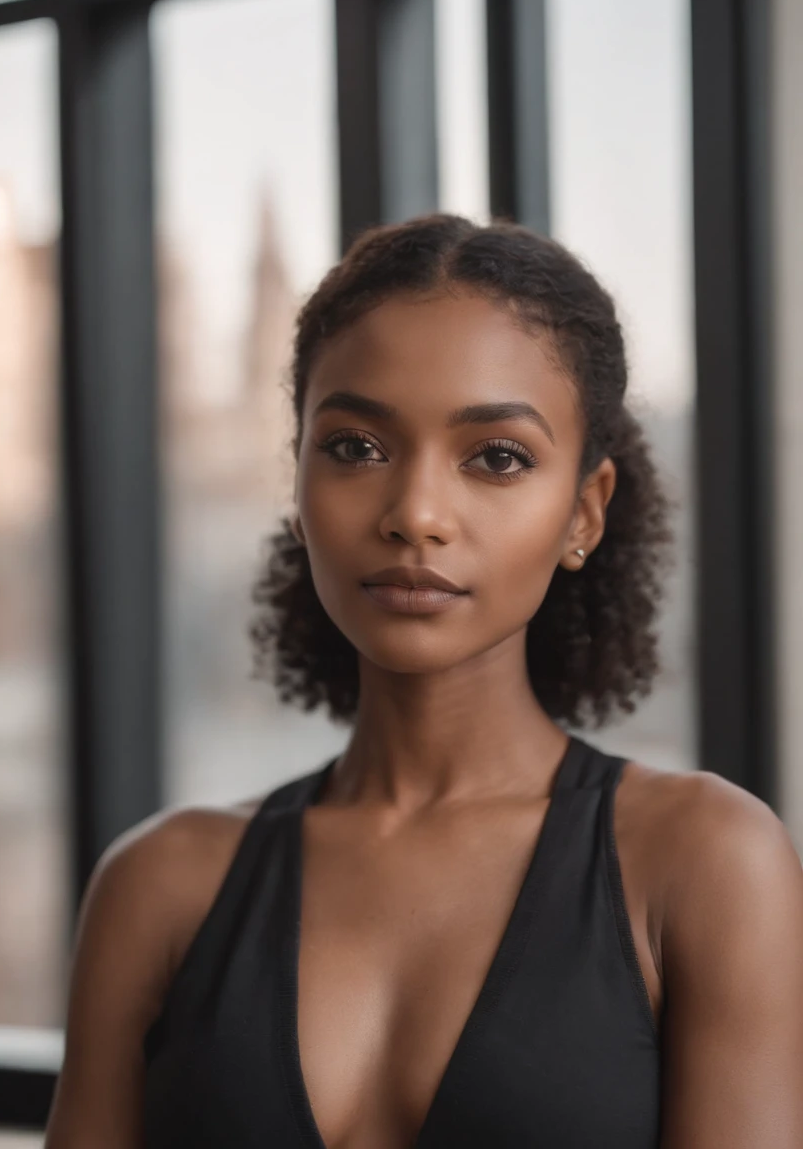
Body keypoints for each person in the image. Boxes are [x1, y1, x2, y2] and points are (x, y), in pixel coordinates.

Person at [45, 215, 803, 1148]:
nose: (415, 514)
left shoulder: (705, 865)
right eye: (356, 447)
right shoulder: (158, 887)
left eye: (497, 457)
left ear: (585, 512)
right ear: (298, 480)